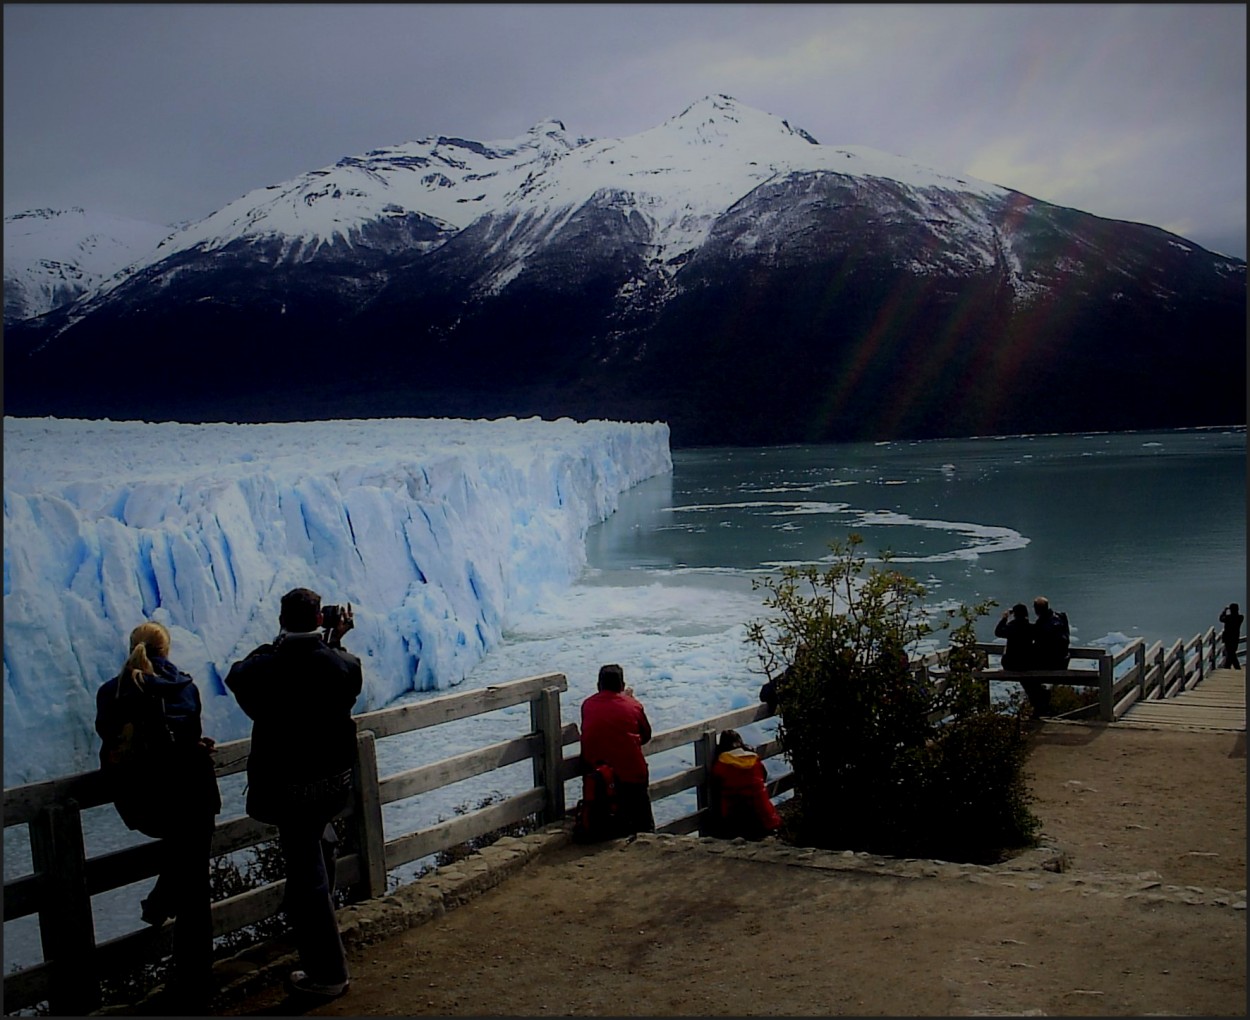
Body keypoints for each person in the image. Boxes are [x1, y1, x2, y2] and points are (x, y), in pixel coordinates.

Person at [225, 588, 362, 1002]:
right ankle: (324, 944)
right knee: (319, 854)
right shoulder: (343, 665)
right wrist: (330, 640)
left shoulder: (266, 668)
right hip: (331, 786)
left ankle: (328, 974)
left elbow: (239, 674)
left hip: (288, 791)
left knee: (308, 879)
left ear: (282, 621)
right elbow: (339, 680)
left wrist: (282, 640)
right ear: (320, 619)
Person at [95, 621, 221, 1012]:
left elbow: (109, 738)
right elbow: (187, 735)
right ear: (166, 650)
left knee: (185, 862)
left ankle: (161, 902)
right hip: (193, 798)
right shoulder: (183, 686)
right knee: (195, 889)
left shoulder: (110, 692)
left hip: (146, 805)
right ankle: (196, 985)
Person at [579, 664, 655, 837]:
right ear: (622, 685)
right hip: (631, 775)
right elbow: (646, 735)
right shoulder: (633, 705)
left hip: (598, 775)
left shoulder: (587, 705)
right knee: (643, 824)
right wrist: (628, 699)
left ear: (599, 685)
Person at [708, 729, 781, 841]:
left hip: (736, 821)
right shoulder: (755, 759)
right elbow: (764, 775)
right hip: (765, 818)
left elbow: (715, 786)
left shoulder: (722, 765)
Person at [994, 603, 1034, 671]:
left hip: (1010, 664)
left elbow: (998, 632)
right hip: (1027, 664)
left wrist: (1004, 618)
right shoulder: (1031, 628)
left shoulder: (1011, 627)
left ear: (1014, 614)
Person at [1219, 603, 1244, 669]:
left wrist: (1224, 611)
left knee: (1230, 653)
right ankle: (1228, 667)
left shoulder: (1228, 618)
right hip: (1235, 637)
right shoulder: (1240, 617)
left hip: (1227, 638)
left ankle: (1235, 667)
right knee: (1231, 652)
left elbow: (1221, 619)